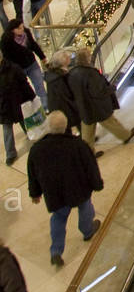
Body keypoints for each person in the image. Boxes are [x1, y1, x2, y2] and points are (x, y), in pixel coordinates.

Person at [27, 111, 103, 265]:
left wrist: (35, 193)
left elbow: (32, 174)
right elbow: (90, 167)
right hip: (79, 188)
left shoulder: (36, 150)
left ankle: (56, 251)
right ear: (66, 126)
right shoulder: (78, 145)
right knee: (85, 208)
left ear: (48, 127)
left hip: (55, 194)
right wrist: (97, 183)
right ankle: (87, 230)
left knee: (59, 218)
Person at [68, 46, 134, 152]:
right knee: (111, 123)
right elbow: (99, 91)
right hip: (97, 107)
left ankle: (88, 152)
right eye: (89, 55)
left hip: (83, 107)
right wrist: (111, 88)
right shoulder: (90, 73)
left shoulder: (72, 73)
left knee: (87, 131)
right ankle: (126, 136)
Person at [1, 17, 47, 107]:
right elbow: (6, 57)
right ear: (13, 30)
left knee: (39, 86)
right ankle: (34, 109)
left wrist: (42, 57)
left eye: (22, 27)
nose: (22, 29)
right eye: (19, 28)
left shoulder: (26, 33)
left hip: (31, 64)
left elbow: (33, 45)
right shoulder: (6, 40)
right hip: (19, 68)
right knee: (24, 90)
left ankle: (45, 107)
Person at [0, 54, 35, 166]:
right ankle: (10, 154)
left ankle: (32, 135)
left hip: (17, 102)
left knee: (23, 120)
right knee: (7, 130)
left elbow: (24, 83)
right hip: (3, 106)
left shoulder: (14, 68)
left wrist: (32, 97)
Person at [44, 49, 80, 133]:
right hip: (63, 108)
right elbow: (65, 96)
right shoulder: (58, 79)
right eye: (68, 57)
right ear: (63, 62)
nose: (70, 59)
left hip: (59, 107)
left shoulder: (53, 75)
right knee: (67, 127)